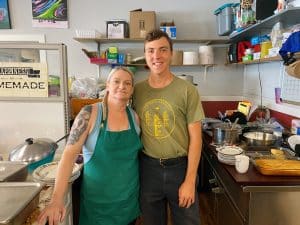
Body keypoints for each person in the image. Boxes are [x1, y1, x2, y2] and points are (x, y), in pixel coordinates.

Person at [38, 67, 142, 225]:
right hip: (98, 206)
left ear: (132, 89)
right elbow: (68, 156)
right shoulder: (90, 113)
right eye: (116, 81)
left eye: (127, 83)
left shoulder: (134, 117)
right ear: (107, 85)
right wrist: (56, 199)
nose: (122, 86)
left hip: (128, 203)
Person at [133, 29, 204, 225]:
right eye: (151, 51)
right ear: (145, 55)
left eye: (163, 50)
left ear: (171, 53)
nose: (156, 56)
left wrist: (190, 181)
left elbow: (197, 139)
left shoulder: (187, 90)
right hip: (148, 169)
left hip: (180, 169)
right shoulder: (136, 91)